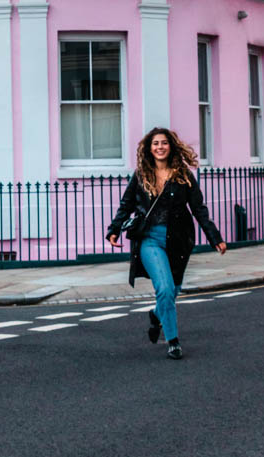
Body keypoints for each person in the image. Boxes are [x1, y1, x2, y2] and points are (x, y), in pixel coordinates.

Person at [107, 127, 227, 360]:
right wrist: (113, 230)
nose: (160, 147)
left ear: (170, 146)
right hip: (150, 240)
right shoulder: (141, 174)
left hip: (179, 242)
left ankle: (156, 314)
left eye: (164, 143)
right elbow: (127, 204)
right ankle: (173, 341)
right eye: (155, 143)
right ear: (149, 148)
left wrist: (215, 237)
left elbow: (199, 209)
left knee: (174, 290)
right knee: (164, 289)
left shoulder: (182, 174)